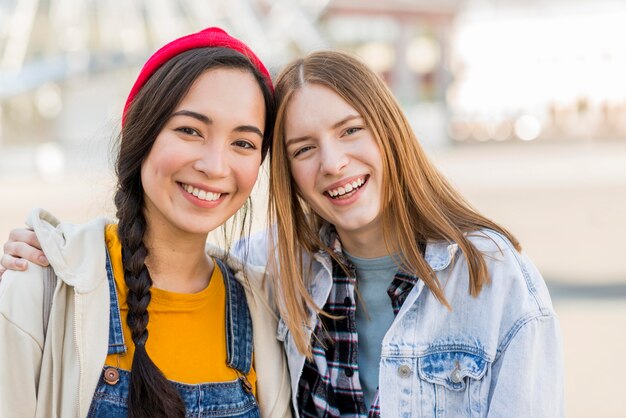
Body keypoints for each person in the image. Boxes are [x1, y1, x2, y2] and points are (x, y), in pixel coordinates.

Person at [2, 50, 564, 417]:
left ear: (392, 133)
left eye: (351, 131)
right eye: (303, 149)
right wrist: (47, 254)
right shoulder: (277, 276)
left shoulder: (491, 281)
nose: (334, 162)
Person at [0, 27, 292, 418]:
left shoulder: (265, 310)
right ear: (141, 133)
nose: (215, 166)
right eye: (190, 130)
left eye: (243, 143)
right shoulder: (41, 286)